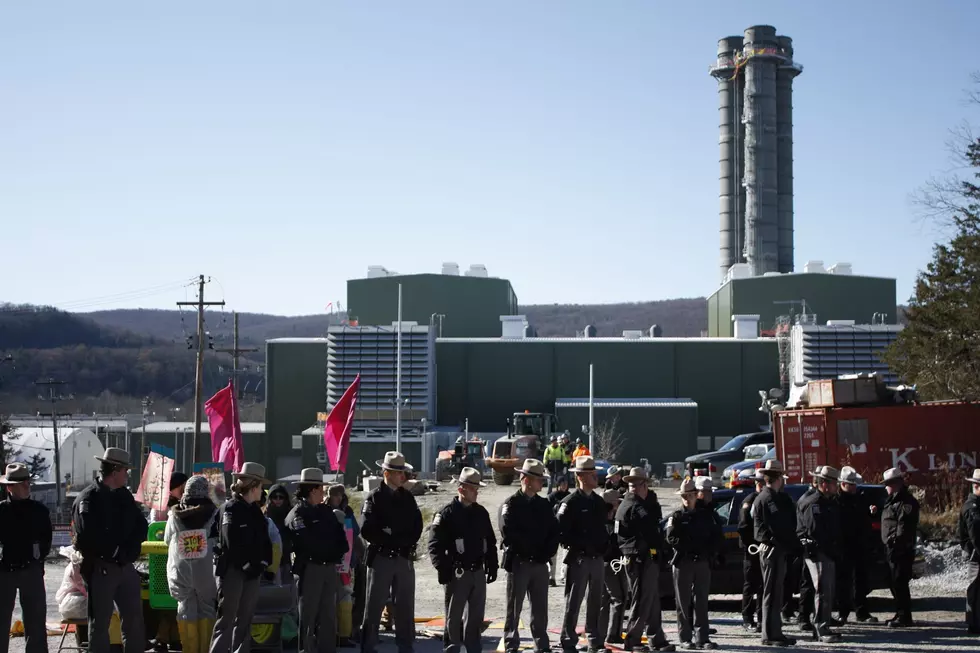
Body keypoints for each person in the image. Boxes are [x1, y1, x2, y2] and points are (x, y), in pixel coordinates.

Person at [72, 447, 148, 653]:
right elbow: (88, 536)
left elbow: (141, 525)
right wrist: (114, 551)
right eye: (125, 471)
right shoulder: (89, 498)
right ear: (114, 471)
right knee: (100, 624)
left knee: (134, 621)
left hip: (125, 565)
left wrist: (129, 551)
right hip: (101, 567)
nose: (127, 475)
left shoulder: (124, 496)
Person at [428, 467, 498, 653]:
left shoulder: (481, 513)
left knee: (475, 616)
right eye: (473, 488)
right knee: (454, 616)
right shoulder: (446, 514)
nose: (477, 492)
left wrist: (493, 564)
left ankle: (474, 647)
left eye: (477, 489)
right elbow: (434, 545)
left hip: (477, 571)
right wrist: (442, 568)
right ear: (461, 489)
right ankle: (452, 647)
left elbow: (490, 541)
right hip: (457, 573)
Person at [360, 451, 423, 653]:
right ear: (386, 473)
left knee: (404, 606)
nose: (402, 476)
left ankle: (405, 646)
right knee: (374, 606)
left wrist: (398, 538)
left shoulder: (407, 498)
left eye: (403, 472)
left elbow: (416, 527)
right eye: (397, 473)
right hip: (382, 558)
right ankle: (368, 646)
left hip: (403, 557)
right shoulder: (374, 498)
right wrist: (392, 539)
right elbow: (368, 529)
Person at [209, 462, 273, 653]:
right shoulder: (230, 509)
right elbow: (231, 541)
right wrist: (245, 564)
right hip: (233, 571)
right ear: (253, 487)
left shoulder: (255, 511)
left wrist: (262, 562)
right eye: (261, 486)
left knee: (245, 619)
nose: (263, 491)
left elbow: (265, 541)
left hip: (253, 572)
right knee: (227, 618)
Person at [287, 468, 350, 653]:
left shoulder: (325, 511)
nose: (323, 492)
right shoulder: (298, 514)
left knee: (329, 615)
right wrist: (327, 548)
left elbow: (341, 540)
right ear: (312, 490)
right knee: (308, 616)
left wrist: (332, 552)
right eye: (321, 489)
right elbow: (306, 542)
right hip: (310, 568)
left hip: (329, 568)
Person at [500, 459, 559, 653]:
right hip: (520, 563)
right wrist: (530, 550)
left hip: (540, 564)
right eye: (538, 479)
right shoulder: (511, 504)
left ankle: (541, 644)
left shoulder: (544, 505)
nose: (542, 482)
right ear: (525, 479)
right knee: (514, 607)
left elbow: (553, 532)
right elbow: (509, 533)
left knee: (540, 608)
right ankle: (511, 644)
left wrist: (545, 553)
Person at [616, 467, 674, 652]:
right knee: (641, 599)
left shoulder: (649, 502)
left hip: (649, 555)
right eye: (630, 484)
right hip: (637, 557)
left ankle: (656, 638)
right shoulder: (630, 505)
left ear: (644, 485)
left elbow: (655, 527)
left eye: (636, 483)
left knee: (652, 598)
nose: (632, 487)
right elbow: (647, 529)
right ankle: (632, 639)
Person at [558, 456, 608, 653]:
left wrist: (603, 549)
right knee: (574, 601)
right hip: (578, 559)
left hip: (596, 559)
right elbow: (560, 532)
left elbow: (604, 529)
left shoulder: (598, 502)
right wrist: (577, 548)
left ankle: (594, 641)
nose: (595, 476)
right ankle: (568, 640)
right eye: (590, 473)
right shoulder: (570, 503)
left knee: (596, 600)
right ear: (580, 476)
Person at [0, 462, 52, 653]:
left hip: (31, 570)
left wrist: (38, 560)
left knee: (36, 621)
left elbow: (46, 539)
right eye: (22, 483)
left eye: (28, 482)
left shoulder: (39, 511)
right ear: (10, 487)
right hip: (4, 571)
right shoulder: (1, 511)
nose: (27, 486)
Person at [164, 475, 220, 653]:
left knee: (185, 607)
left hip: (181, 569)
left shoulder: (174, 514)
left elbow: (167, 540)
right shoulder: (215, 512)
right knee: (207, 608)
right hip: (206, 568)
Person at [666, 479, 720, 650]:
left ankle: (702, 637)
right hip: (684, 561)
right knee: (683, 601)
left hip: (702, 561)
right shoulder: (676, 517)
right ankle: (685, 637)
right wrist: (688, 547)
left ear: (696, 495)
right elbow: (670, 538)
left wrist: (708, 552)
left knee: (702, 601)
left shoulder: (704, 516)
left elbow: (713, 536)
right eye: (684, 495)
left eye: (690, 495)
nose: (687, 498)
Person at [752, 459, 798, 647]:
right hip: (771, 549)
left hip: (779, 549)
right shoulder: (765, 498)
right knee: (770, 592)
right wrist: (780, 542)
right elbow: (767, 528)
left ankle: (776, 631)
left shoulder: (777, 497)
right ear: (778, 478)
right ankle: (769, 634)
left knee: (777, 592)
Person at [796, 466, 842, 643]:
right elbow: (815, 531)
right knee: (822, 590)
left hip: (827, 552)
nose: (836, 486)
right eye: (834, 483)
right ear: (825, 484)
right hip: (818, 552)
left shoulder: (829, 501)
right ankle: (821, 628)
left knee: (827, 591)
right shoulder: (814, 503)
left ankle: (823, 626)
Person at [836, 466, 878, 624]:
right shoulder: (837, 501)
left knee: (860, 581)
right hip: (843, 546)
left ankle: (862, 612)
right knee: (843, 582)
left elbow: (864, 519)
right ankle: (843, 613)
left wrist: (871, 513)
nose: (854, 487)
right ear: (843, 484)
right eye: (851, 484)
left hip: (860, 545)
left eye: (854, 484)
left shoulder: (860, 498)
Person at [881, 467, 919, 628]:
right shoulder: (893, 500)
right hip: (892, 548)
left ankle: (904, 616)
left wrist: (894, 543)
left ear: (895, 484)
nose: (885, 487)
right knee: (894, 583)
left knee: (900, 582)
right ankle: (900, 613)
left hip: (900, 549)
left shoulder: (906, 502)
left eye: (887, 484)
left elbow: (903, 527)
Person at [328, 484, 362, 647]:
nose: (339, 498)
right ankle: (330, 634)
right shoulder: (323, 511)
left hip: (347, 563)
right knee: (329, 601)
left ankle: (344, 635)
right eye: (335, 495)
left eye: (341, 495)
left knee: (346, 599)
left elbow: (355, 532)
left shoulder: (348, 512)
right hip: (328, 563)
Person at [597, 490, 628, 648]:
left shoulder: (601, 520)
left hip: (604, 564)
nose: (619, 504)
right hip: (611, 564)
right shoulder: (609, 523)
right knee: (619, 598)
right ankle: (613, 634)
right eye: (617, 502)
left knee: (604, 600)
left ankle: (601, 634)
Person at [737, 469, 765, 632]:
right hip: (752, 550)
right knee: (750, 585)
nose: (761, 485)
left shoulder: (764, 500)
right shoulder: (750, 501)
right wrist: (752, 546)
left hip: (763, 549)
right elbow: (743, 527)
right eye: (759, 483)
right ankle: (747, 618)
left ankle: (761, 618)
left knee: (762, 585)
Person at [795, 477, 819, 632]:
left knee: (816, 586)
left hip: (816, 547)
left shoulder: (820, 499)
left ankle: (817, 616)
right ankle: (803, 617)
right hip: (808, 547)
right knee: (808, 584)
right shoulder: (808, 499)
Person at [960, 468, 980, 634]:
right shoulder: (972, 507)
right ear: (977, 487)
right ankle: (974, 624)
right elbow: (976, 535)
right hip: (976, 554)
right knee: (974, 589)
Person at [265, 484, 293, 579]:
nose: (277, 500)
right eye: (274, 497)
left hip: (286, 559)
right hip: (269, 560)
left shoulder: (291, 514)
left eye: (281, 497)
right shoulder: (265, 514)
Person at [548, 476, 571, 586]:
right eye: (562, 483)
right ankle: (551, 576)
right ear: (558, 485)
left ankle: (564, 576)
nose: (564, 486)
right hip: (553, 528)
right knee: (552, 553)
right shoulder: (552, 497)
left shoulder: (570, 496)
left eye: (566, 483)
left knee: (566, 553)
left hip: (565, 530)